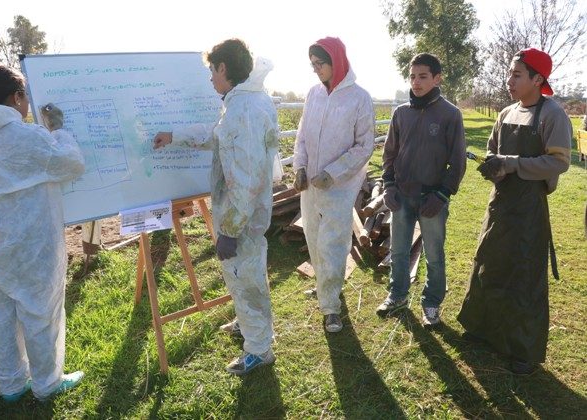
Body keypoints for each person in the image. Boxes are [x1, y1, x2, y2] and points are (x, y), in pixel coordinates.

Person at [0, 66, 86, 401]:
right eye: (25, 96)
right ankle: (47, 383)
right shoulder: (26, 136)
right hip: (30, 248)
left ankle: (11, 384)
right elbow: (71, 163)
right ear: (16, 97)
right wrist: (59, 130)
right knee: (40, 313)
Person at [153, 39, 278, 376]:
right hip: (246, 214)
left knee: (246, 277)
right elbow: (220, 137)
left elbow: (247, 179)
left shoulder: (244, 109)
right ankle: (250, 325)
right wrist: (176, 134)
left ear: (223, 68)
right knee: (248, 276)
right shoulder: (247, 102)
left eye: (212, 70)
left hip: (242, 217)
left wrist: (230, 231)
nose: (210, 78)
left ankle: (259, 349)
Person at [457, 48, 572, 375]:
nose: (509, 80)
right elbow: (493, 150)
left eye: (517, 74)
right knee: (489, 263)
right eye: (509, 73)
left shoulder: (553, 115)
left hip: (529, 207)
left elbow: (559, 162)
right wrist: (492, 166)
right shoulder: (506, 112)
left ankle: (522, 350)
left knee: (523, 275)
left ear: (537, 79)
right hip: (500, 203)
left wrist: (511, 164)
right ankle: (482, 329)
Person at [292, 37, 375, 333]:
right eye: (312, 65)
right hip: (311, 186)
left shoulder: (359, 98)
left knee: (333, 243)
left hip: (339, 186)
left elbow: (364, 145)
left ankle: (331, 308)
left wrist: (333, 172)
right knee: (314, 238)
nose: (316, 70)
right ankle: (325, 287)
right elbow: (302, 136)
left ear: (336, 61)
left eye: (320, 64)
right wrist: (300, 167)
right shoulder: (313, 94)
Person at [377, 53, 466, 327]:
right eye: (412, 76)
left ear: (437, 79)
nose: (416, 82)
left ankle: (432, 303)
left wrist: (442, 194)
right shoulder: (401, 113)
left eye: (423, 76)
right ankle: (398, 295)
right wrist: (388, 185)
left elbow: (458, 162)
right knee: (399, 251)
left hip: (432, 198)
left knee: (434, 254)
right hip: (402, 196)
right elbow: (389, 153)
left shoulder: (450, 114)